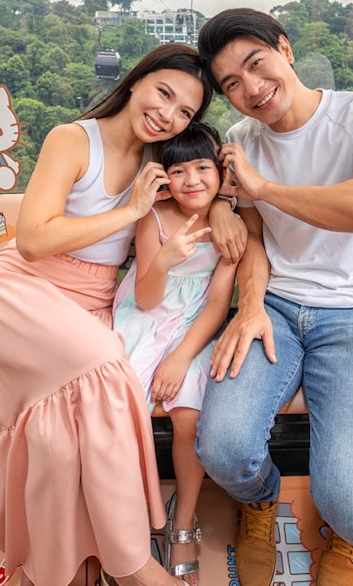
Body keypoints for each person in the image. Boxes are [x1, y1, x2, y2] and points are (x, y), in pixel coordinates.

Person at [0, 43, 243, 586]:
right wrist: (130, 209)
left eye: (184, 110)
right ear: (135, 82)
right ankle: (132, 565)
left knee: (67, 429)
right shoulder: (73, 139)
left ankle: (82, 550)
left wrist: (225, 206)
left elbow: (201, 179)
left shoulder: (159, 156)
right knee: (107, 367)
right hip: (21, 288)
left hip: (89, 299)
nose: (168, 114)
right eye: (163, 93)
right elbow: (33, 239)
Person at [193, 8, 353, 586]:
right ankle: (261, 500)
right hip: (275, 304)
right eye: (231, 84)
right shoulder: (241, 139)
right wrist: (250, 306)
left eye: (256, 63)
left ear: (284, 48)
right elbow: (255, 238)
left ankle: (348, 536)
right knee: (222, 448)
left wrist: (263, 188)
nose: (251, 88)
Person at [112, 122, 239, 585]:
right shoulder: (154, 217)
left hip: (194, 327)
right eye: (179, 171)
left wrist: (182, 356)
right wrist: (165, 259)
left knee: (188, 414)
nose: (192, 181)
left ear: (219, 171)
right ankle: (122, 515)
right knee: (121, 404)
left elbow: (218, 305)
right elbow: (146, 299)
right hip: (146, 315)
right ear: (164, 176)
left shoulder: (229, 227)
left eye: (203, 168)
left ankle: (182, 517)